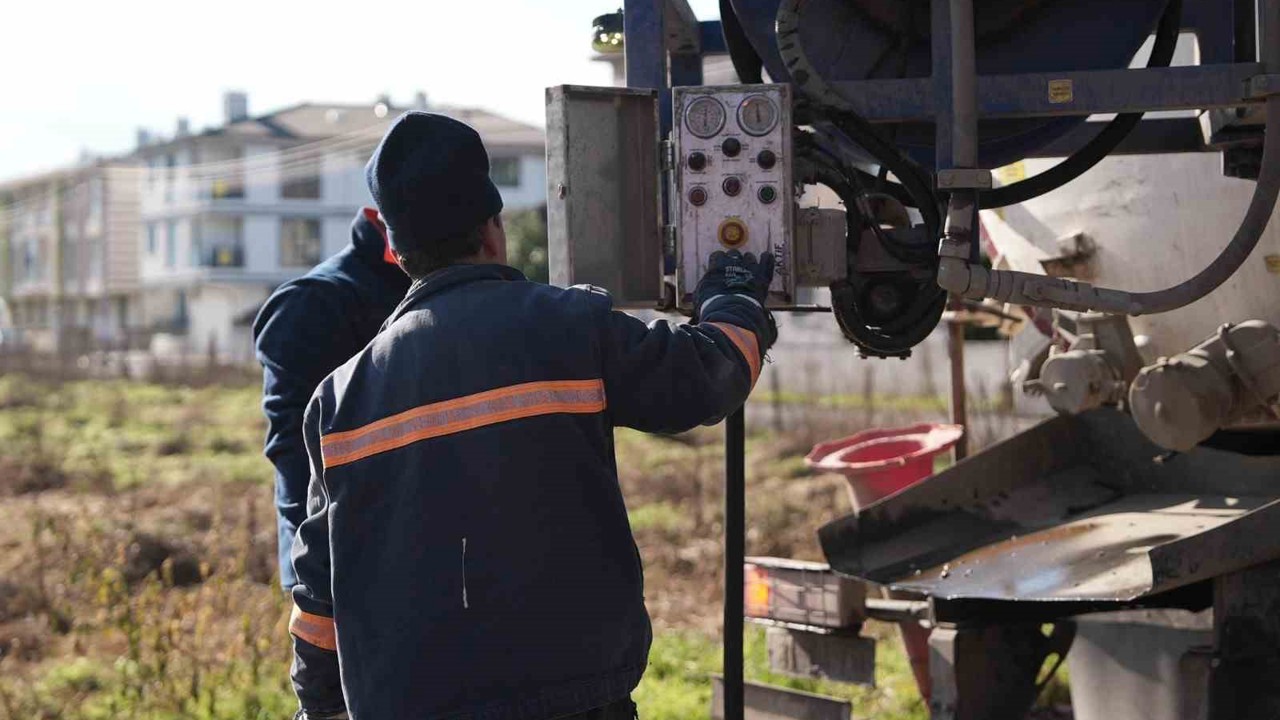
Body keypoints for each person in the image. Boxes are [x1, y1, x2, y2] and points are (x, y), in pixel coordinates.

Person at [287, 112, 777, 720]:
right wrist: (735, 297)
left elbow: (317, 603)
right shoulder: (568, 328)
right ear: (493, 230)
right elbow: (706, 378)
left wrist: (320, 709)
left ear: (394, 250)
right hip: (575, 702)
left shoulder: (337, 402)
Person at [253, 207, 410, 591]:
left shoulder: (440, 291)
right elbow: (295, 457)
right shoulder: (316, 302)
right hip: (343, 581)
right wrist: (315, 589)